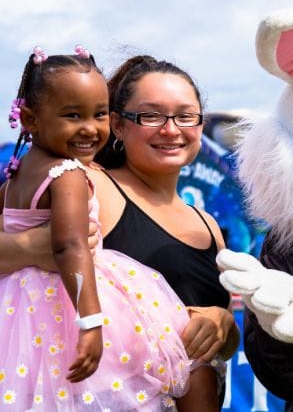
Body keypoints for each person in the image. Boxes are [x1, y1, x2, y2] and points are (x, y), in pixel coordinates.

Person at [0, 55, 238, 410]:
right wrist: (23, 247)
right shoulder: (88, 182)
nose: (171, 129)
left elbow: (217, 351)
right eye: (151, 115)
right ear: (118, 125)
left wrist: (224, 324)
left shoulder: (207, 225)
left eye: (185, 116)